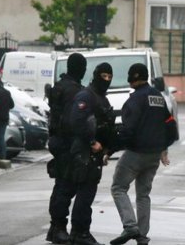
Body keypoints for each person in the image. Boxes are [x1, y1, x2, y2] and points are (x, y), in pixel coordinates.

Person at [104, 63, 173, 245]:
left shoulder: (134, 100)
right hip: (154, 155)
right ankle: (141, 235)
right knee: (143, 195)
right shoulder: (158, 97)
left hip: (136, 153)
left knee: (118, 188)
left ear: (131, 78)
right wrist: (163, 149)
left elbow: (128, 131)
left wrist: (110, 149)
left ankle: (130, 227)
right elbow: (169, 125)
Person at [67, 62, 116, 245]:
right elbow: (77, 121)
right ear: (96, 75)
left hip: (95, 153)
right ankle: (79, 233)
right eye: (104, 76)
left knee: (88, 193)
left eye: (110, 77)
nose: (107, 80)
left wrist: (107, 148)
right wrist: (92, 142)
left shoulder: (101, 97)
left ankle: (81, 232)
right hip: (84, 151)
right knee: (85, 193)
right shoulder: (86, 95)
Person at [45, 52, 87, 244]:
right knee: (66, 186)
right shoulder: (73, 90)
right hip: (67, 143)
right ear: (80, 68)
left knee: (61, 185)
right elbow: (74, 121)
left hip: (57, 140)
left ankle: (55, 227)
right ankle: (59, 227)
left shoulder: (59, 86)